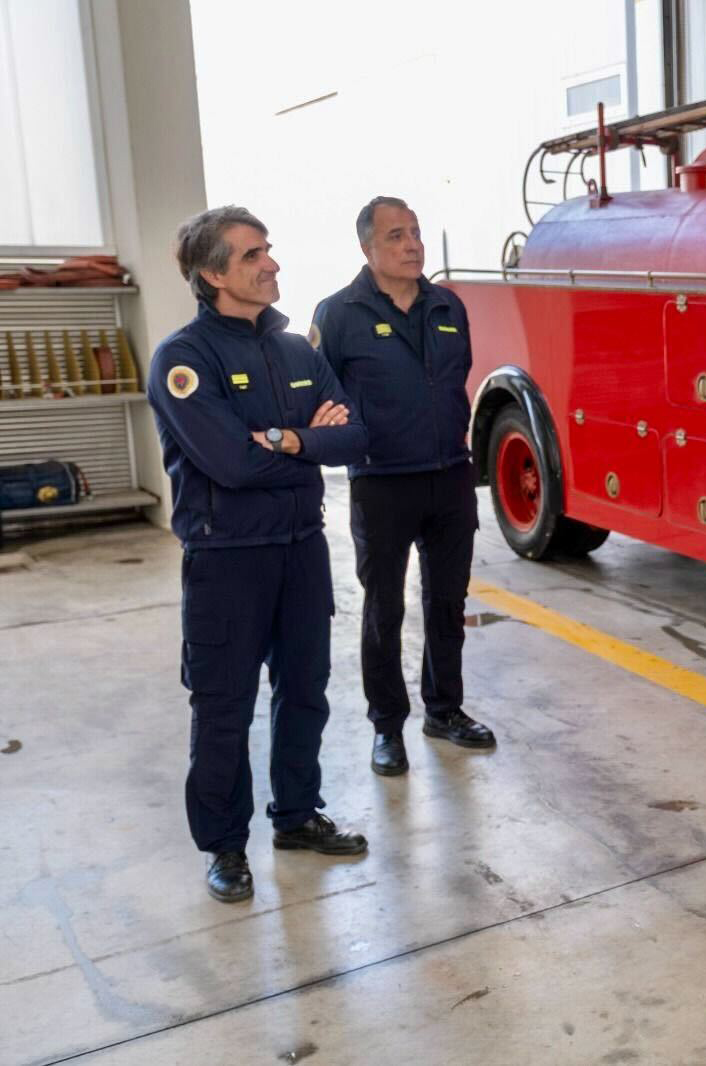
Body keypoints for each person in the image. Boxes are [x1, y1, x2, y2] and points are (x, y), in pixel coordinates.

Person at [147, 206, 371, 904]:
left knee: (305, 692)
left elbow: (355, 438)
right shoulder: (182, 360)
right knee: (224, 707)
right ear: (213, 273)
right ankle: (224, 847)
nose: (271, 263)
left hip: (302, 550)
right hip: (228, 560)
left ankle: (297, 816)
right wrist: (305, 440)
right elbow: (228, 465)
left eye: (268, 250)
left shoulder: (297, 349)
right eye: (251, 255)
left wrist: (286, 439)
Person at [311, 197, 493, 777]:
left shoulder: (448, 305)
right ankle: (386, 727)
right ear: (367, 249)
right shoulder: (338, 314)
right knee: (383, 608)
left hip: (449, 475)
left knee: (448, 602)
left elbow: (455, 378)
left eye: (414, 233)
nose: (411, 244)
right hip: (381, 482)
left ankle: (445, 710)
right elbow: (322, 394)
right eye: (396, 236)